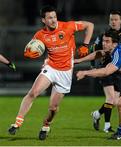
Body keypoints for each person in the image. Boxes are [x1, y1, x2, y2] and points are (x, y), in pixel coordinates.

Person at [8, 5, 94, 140]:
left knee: (53, 108)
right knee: (33, 92)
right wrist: (31, 54)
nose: (53, 20)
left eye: (54, 17)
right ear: (44, 20)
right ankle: (17, 123)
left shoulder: (68, 26)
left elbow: (90, 25)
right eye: (50, 18)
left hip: (65, 72)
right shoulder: (40, 35)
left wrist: (85, 45)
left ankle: (46, 125)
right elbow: (32, 49)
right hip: (51, 68)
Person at [89, 10, 121, 133]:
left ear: (120, 21)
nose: (113, 22)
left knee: (115, 102)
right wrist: (93, 66)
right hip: (106, 69)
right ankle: (107, 126)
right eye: (111, 20)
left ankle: (97, 114)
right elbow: (93, 49)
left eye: (115, 19)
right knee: (110, 99)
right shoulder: (104, 35)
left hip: (119, 71)